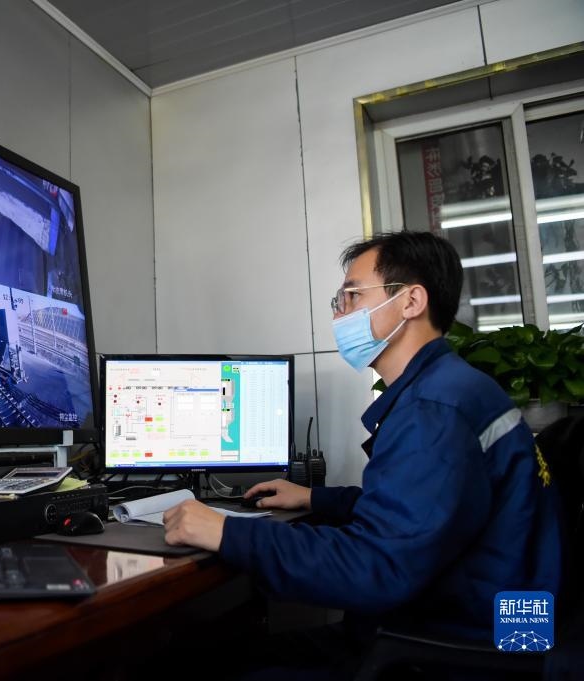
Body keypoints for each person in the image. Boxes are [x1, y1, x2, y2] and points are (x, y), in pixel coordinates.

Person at [162, 231, 562, 678]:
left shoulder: (433, 409)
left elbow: (375, 567)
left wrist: (227, 531)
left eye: (351, 296)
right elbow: (423, 509)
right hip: (470, 625)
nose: (340, 314)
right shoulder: (453, 387)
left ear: (411, 302)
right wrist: (315, 498)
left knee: (199, 664)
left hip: (445, 652)